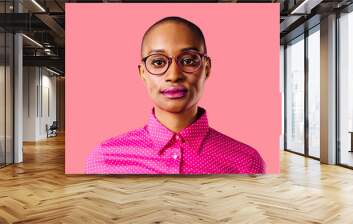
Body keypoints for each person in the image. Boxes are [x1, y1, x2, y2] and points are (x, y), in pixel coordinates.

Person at [85, 16, 265, 174]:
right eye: (157, 62)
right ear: (143, 73)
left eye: (188, 60)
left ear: (207, 68)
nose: (173, 75)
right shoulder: (104, 157)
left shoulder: (247, 161)